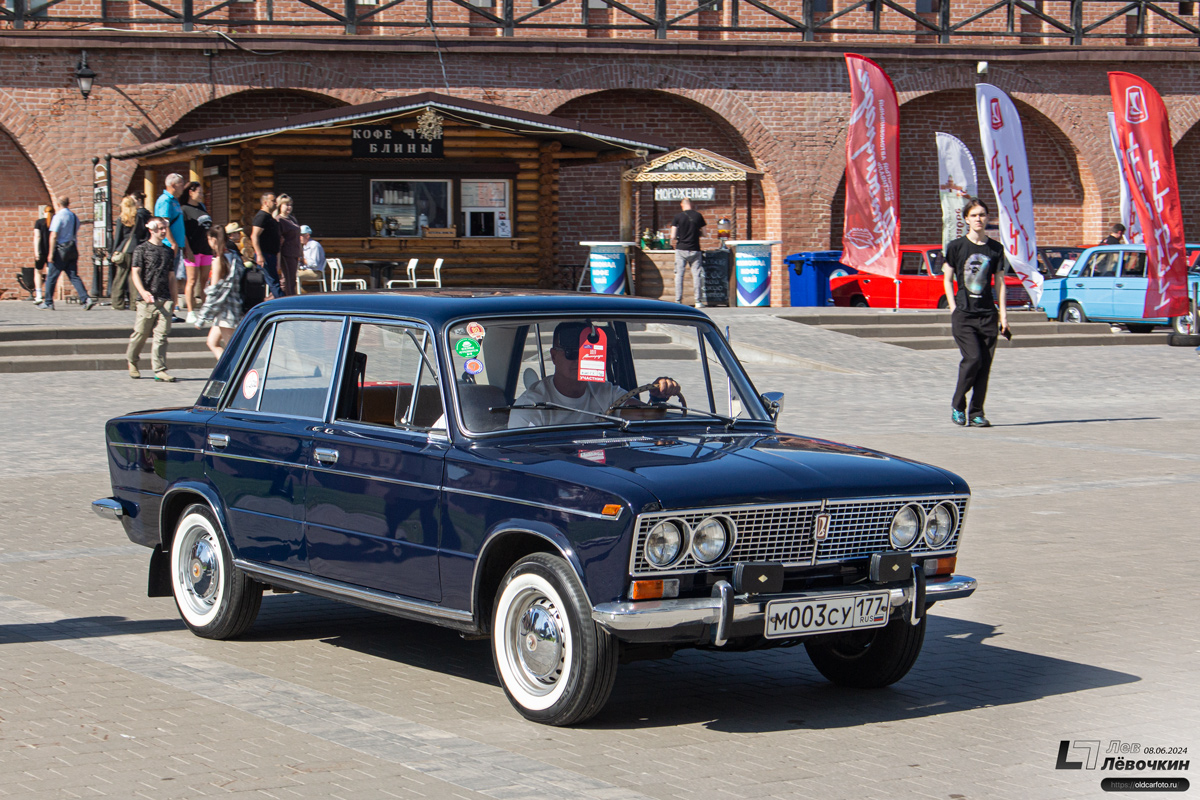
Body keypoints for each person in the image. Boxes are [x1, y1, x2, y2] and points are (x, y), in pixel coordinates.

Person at [508, 321, 682, 428]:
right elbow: (524, 461)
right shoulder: (530, 406)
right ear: (554, 356)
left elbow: (645, 415)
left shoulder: (605, 391)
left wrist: (658, 396)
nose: (579, 360)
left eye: (586, 353)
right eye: (571, 353)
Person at [942, 197, 1009, 428]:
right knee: (973, 359)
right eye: (974, 215)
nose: (978, 219)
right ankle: (958, 405)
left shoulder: (995, 249)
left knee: (985, 365)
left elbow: (1000, 283)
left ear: (987, 218)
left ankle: (977, 412)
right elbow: (947, 278)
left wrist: (1003, 315)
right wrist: (953, 306)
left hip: (988, 315)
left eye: (982, 214)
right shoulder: (956, 247)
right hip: (964, 315)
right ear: (966, 219)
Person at [127, 217, 178, 382]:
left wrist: (174, 299)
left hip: (165, 298)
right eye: (160, 228)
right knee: (140, 333)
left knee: (161, 335)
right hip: (147, 299)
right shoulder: (141, 250)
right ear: (152, 229)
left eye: (165, 228)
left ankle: (160, 369)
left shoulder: (168, 251)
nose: (163, 231)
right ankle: (132, 360)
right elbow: (135, 272)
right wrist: (142, 292)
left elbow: (171, 276)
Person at [194, 224, 244, 359]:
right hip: (235, 306)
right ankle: (226, 373)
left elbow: (213, 292)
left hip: (226, 311)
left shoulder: (218, 261)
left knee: (231, 351)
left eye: (209, 239)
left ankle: (231, 375)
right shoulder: (235, 256)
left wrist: (202, 318)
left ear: (213, 240)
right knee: (212, 342)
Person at [39, 196, 96, 311]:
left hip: (60, 250)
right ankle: (86, 299)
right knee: (74, 276)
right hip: (72, 248)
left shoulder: (58, 217)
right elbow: (77, 228)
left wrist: (50, 253)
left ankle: (48, 302)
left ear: (58, 204)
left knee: (51, 276)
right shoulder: (74, 217)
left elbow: (54, 235)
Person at [154, 173, 190, 316]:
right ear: (173, 185)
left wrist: (185, 246)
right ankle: (167, 309)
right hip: (169, 245)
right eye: (181, 183)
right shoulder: (165, 201)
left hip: (178, 245)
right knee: (168, 277)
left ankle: (172, 309)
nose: (183, 186)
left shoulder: (175, 201)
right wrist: (173, 243)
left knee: (173, 277)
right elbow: (164, 223)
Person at [111, 194, 150, 311]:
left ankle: (118, 303)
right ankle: (134, 303)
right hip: (137, 249)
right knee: (135, 277)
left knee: (120, 277)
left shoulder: (122, 218)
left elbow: (118, 237)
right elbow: (144, 234)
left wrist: (114, 251)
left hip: (124, 249)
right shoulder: (139, 217)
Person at [181, 181, 214, 323]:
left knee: (204, 281)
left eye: (202, 193)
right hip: (192, 250)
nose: (201, 195)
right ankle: (190, 311)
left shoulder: (202, 207)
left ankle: (205, 310)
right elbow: (183, 233)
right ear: (191, 192)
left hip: (206, 248)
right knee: (192, 280)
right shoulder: (184, 209)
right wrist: (187, 249)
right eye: (199, 192)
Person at [669, 198, 707, 307]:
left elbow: (672, 236)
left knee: (679, 275)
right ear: (692, 204)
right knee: (696, 275)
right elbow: (704, 233)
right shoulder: (698, 216)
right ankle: (698, 301)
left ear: (682, 205)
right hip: (695, 249)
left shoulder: (677, 217)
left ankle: (678, 300)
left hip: (681, 249)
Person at [250, 192, 284, 298]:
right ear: (265, 202)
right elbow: (254, 236)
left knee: (274, 280)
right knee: (273, 281)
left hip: (272, 254)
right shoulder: (261, 217)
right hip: (265, 254)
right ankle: (282, 304)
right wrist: (259, 254)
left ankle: (277, 301)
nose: (275, 203)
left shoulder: (270, 218)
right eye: (273, 201)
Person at [275, 193, 301, 296]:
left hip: (294, 253)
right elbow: (278, 241)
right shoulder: (279, 220)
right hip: (286, 253)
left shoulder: (292, 219)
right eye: (286, 205)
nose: (289, 207)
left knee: (292, 280)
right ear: (280, 206)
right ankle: (277, 299)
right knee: (286, 280)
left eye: (290, 205)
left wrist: (300, 252)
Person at [30, 204, 52, 303]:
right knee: (49, 273)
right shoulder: (54, 223)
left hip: (41, 251)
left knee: (38, 272)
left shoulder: (39, 222)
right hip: (51, 251)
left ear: (44, 212)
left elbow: (37, 237)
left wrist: (36, 251)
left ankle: (39, 295)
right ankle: (48, 294)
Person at [297, 224, 326, 293]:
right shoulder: (304, 246)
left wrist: (301, 260)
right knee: (290, 275)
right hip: (306, 270)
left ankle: (303, 295)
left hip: (315, 272)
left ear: (307, 235)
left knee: (293, 276)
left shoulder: (314, 245)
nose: (299, 237)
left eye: (301, 235)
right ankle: (301, 294)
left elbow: (314, 264)